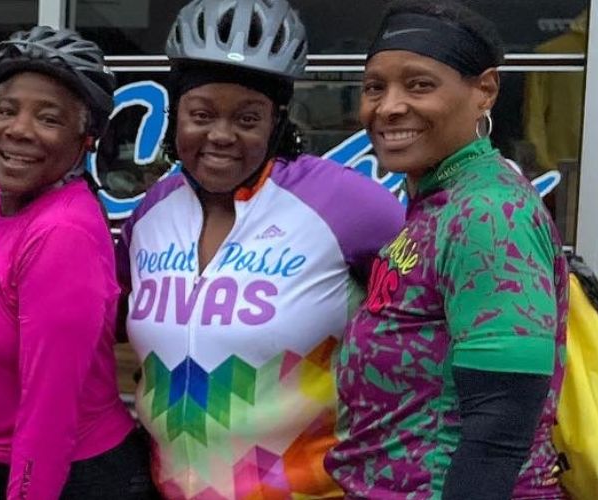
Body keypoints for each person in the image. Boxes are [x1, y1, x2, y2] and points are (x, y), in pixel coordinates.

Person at [117, 0, 406, 498]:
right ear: (175, 115)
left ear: (277, 122)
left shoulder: (343, 203)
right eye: (201, 114)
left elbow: (445, 283)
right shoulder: (151, 213)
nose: (222, 136)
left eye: (248, 118)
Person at [327, 1, 570, 498]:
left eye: (419, 85)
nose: (388, 106)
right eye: (375, 87)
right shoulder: (438, 198)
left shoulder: (490, 214)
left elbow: (501, 425)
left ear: (484, 91)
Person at [0, 26, 151, 500]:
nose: (19, 129)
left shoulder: (62, 235)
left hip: (63, 476)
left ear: (86, 140)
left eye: (49, 118)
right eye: (7, 110)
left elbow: (50, 416)